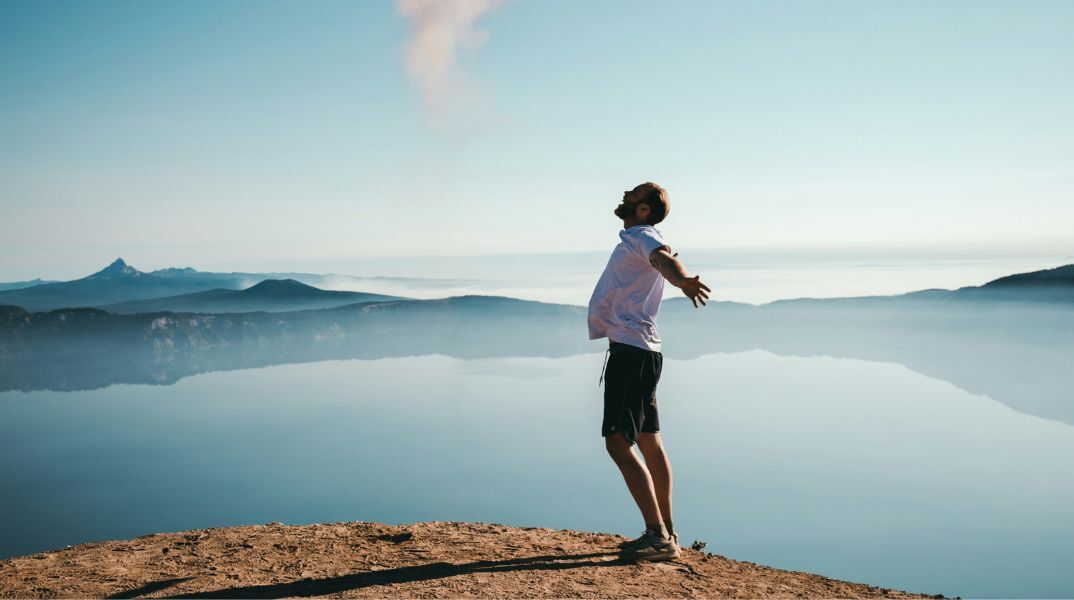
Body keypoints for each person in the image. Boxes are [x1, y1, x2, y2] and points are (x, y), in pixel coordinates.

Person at [587, 181, 710, 562]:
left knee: (617, 442)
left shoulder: (643, 236)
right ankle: (667, 530)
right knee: (648, 439)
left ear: (643, 209)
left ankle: (657, 537)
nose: (624, 194)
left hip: (631, 352)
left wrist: (681, 280)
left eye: (633, 194)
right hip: (641, 350)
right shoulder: (637, 237)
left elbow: (664, 259)